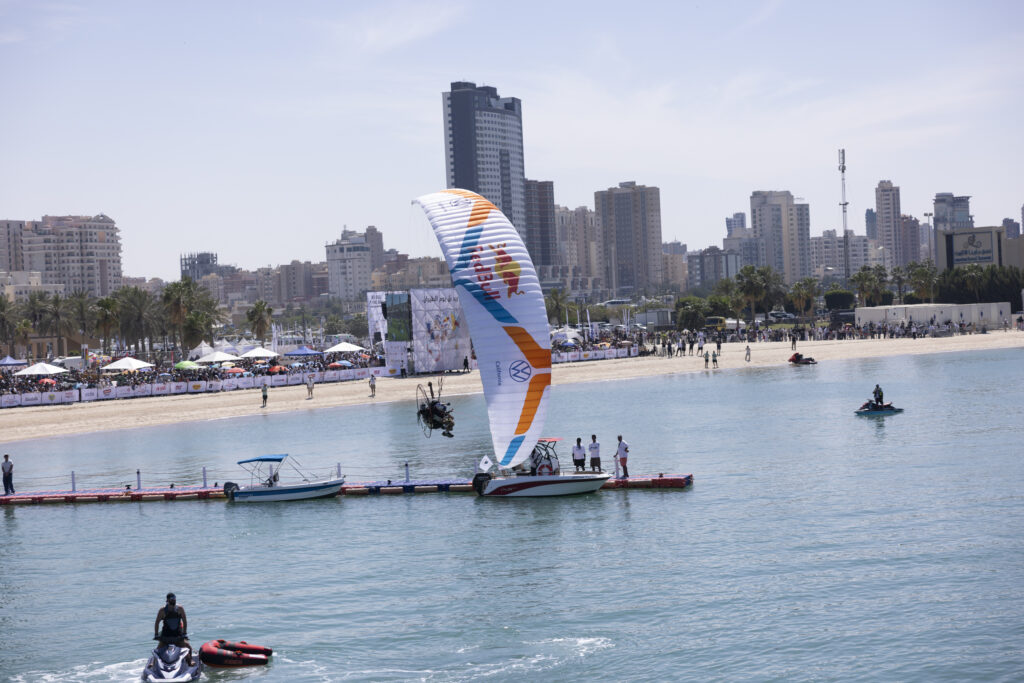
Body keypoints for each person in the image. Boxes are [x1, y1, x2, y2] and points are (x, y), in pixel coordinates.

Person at [154, 593, 193, 666]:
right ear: (167, 600)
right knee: (158, 650)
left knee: (187, 647)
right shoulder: (162, 610)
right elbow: (157, 623)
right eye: (172, 599)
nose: (174, 600)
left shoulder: (180, 609)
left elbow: (184, 621)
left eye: (174, 598)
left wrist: (184, 633)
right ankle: (153, 663)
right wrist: (156, 635)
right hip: (166, 636)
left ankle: (190, 661)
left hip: (177, 635)